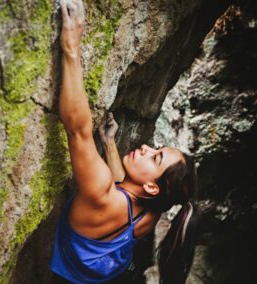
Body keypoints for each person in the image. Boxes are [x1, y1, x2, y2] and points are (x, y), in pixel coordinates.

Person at [50, 0, 200, 283]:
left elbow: (78, 130)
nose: (146, 148)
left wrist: (71, 48)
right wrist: (108, 143)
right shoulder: (152, 213)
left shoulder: (99, 191)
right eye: (157, 149)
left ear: (152, 186)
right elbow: (126, 192)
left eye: (155, 157)